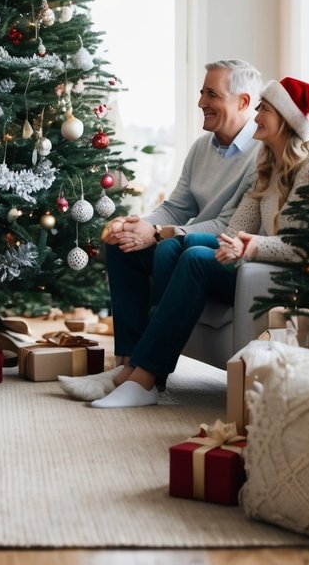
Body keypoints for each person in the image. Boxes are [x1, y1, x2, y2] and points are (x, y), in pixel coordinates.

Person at [89, 76, 309, 408]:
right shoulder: (267, 167)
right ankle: (135, 369)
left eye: (264, 108)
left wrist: (248, 246)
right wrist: (164, 232)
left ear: (287, 120)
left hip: (281, 273)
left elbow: (306, 247)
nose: (257, 116)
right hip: (249, 257)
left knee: (195, 260)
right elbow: (234, 229)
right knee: (174, 248)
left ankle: (145, 376)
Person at [62, 60, 262, 401]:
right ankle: (126, 365)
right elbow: (177, 205)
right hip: (189, 243)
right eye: (201, 92)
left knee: (171, 249)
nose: (201, 102)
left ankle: (144, 374)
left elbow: (228, 227)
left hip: (226, 254)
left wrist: (159, 234)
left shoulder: (260, 154)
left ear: (243, 102)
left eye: (211, 94)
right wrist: (139, 224)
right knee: (121, 243)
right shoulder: (202, 147)